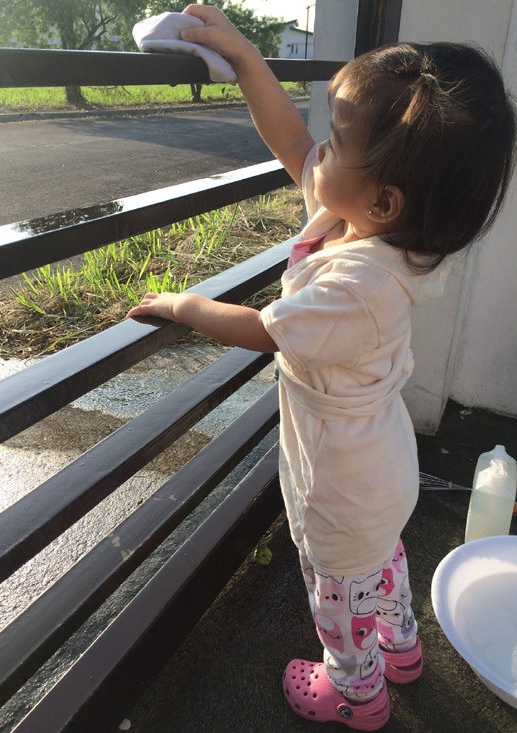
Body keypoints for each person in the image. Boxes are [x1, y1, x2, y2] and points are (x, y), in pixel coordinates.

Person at [127, 5, 516, 730]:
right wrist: (246, 60)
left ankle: (357, 691)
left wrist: (183, 305)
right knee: (383, 565)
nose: (317, 156)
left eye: (337, 144)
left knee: (336, 591)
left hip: (340, 482)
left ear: (384, 198)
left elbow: (258, 328)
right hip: (381, 466)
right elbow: (292, 139)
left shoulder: (358, 287)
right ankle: (401, 649)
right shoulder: (373, 224)